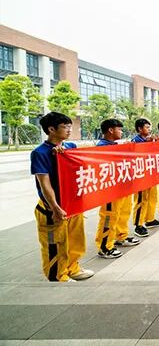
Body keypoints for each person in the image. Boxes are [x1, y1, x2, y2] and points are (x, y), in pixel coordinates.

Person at [30, 112, 94, 281]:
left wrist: (65, 155)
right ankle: (57, 275)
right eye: (65, 127)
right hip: (52, 207)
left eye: (70, 126)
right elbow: (44, 183)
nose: (69, 130)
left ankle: (73, 268)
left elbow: (82, 166)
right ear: (51, 129)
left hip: (72, 203)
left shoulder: (70, 146)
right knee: (55, 242)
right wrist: (54, 207)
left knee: (75, 239)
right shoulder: (40, 153)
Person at [95, 119, 140, 259]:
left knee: (123, 213)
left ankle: (121, 236)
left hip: (121, 186)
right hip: (110, 189)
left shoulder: (114, 145)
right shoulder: (102, 147)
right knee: (109, 217)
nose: (121, 132)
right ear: (110, 130)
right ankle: (105, 246)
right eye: (119, 129)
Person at [132, 118, 159, 238]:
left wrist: (156, 143)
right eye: (147, 127)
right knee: (141, 200)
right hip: (141, 175)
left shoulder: (150, 140)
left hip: (151, 173)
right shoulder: (135, 141)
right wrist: (146, 144)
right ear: (140, 129)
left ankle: (150, 219)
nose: (149, 129)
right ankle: (138, 225)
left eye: (150, 127)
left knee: (152, 197)